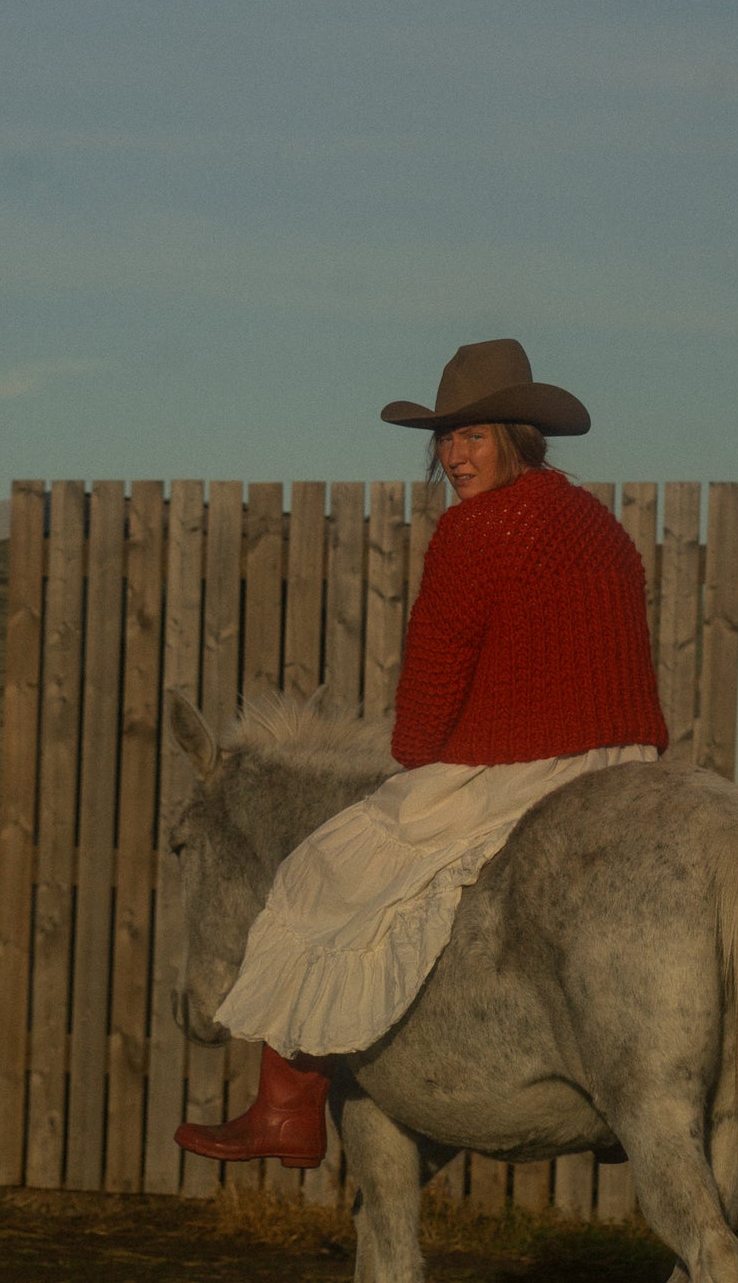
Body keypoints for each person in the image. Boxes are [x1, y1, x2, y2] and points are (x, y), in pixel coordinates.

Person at [175, 337, 668, 1167]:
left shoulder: (477, 529)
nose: (453, 456)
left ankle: (285, 1110)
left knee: (322, 866)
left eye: (472, 437)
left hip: (520, 763)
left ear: (516, 435)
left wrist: (413, 759)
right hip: (621, 763)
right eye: (443, 439)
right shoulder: (592, 519)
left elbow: (436, 675)